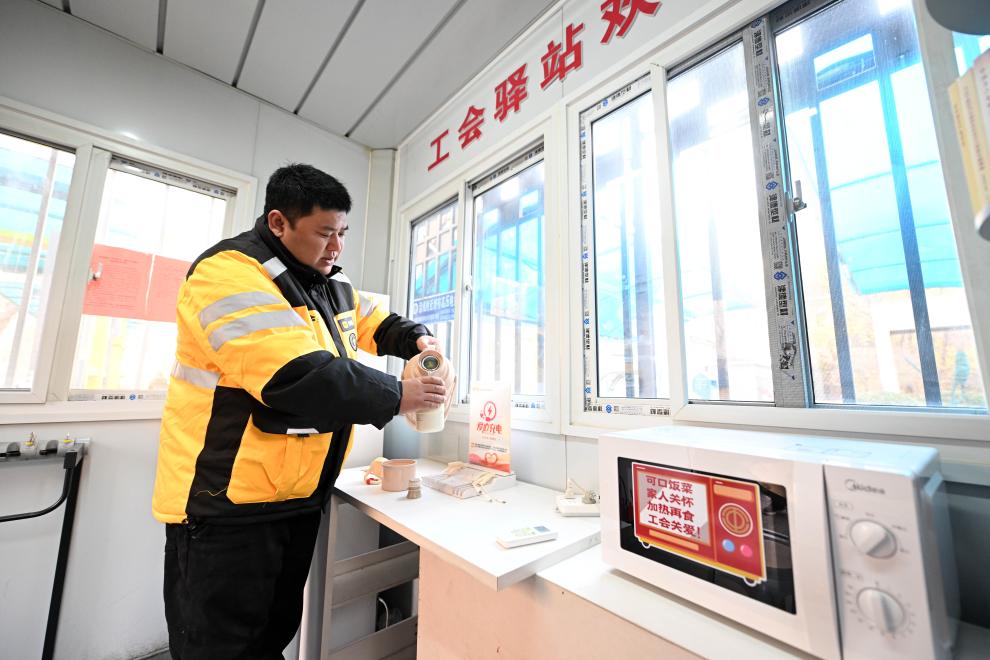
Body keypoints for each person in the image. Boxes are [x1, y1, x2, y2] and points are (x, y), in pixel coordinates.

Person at [152, 163, 446, 659]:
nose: (336, 247)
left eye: (343, 233)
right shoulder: (228, 274)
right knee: (221, 647)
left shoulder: (325, 281)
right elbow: (295, 375)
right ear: (278, 222)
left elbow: (374, 321)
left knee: (271, 637)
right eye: (325, 233)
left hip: (295, 498)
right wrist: (400, 394)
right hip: (228, 507)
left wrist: (417, 338)